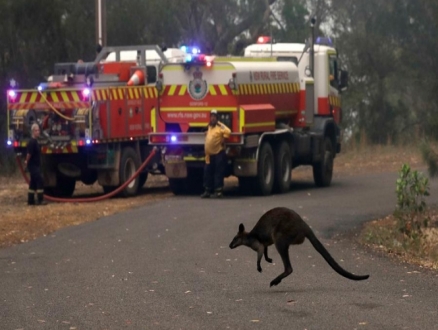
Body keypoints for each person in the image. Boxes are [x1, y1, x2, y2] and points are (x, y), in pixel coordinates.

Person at [201, 109, 231, 198]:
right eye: (211, 116)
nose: (212, 118)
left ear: (217, 118)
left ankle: (218, 192)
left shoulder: (220, 126)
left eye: (214, 117)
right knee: (207, 172)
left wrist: (224, 137)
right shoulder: (209, 126)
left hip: (218, 154)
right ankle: (207, 191)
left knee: (218, 172)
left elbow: (228, 131)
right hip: (209, 155)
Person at [25, 123, 46, 205]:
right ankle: (40, 200)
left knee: (33, 182)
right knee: (40, 180)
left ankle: (30, 200)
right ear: (33, 132)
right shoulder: (32, 142)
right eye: (36, 131)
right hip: (32, 165)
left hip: (36, 165)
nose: (38, 132)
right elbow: (29, 154)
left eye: (38, 130)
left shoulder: (36, 141)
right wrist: (26, 162)